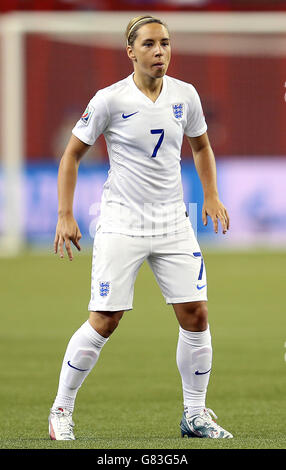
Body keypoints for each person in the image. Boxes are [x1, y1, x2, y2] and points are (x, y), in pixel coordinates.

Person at [49, 14, 232, 440]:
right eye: (149, 44)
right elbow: (70, 156)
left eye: (165, 43)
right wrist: (65, 212)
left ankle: (195, 414)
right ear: (130, 51)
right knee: (105, 318)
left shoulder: (185, 95)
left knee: (196, 314)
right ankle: (61, 409)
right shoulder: (109, 99)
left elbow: (201, 145)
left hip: (172, 220)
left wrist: (211, 194)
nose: (159, 52)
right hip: (121, 222)